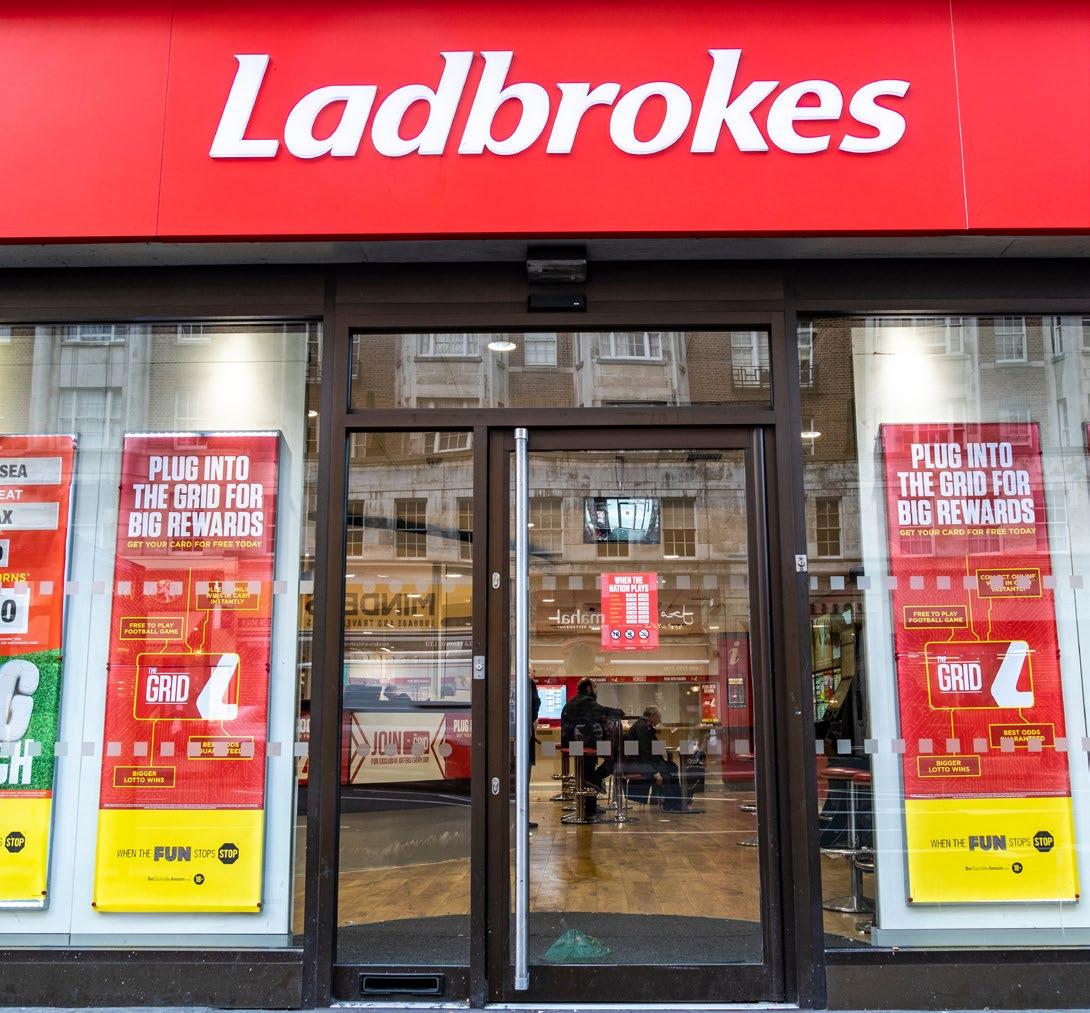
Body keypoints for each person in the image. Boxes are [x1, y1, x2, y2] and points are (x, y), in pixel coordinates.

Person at [560, 677, 623, 816]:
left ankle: (589, 806)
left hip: (573, 745)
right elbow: (609, 712)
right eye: (595, 688)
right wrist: (620, 713)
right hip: (585, 746)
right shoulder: (587, 702)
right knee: (616, 754)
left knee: (587, 770)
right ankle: (595, 780)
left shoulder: (571, 702)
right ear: (589, 689)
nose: (596, 691)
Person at [625, 706, 702, 813]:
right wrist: (655, 772)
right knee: (667, 770)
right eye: (659, 717)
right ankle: (673, 803)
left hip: (643, 761)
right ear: (653, 716)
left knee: (672, 767)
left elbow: (651, 747)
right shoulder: (643, 728)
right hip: (641, 764)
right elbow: (645, 752)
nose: (660, 720)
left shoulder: (645, 726)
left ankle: (676, 801)